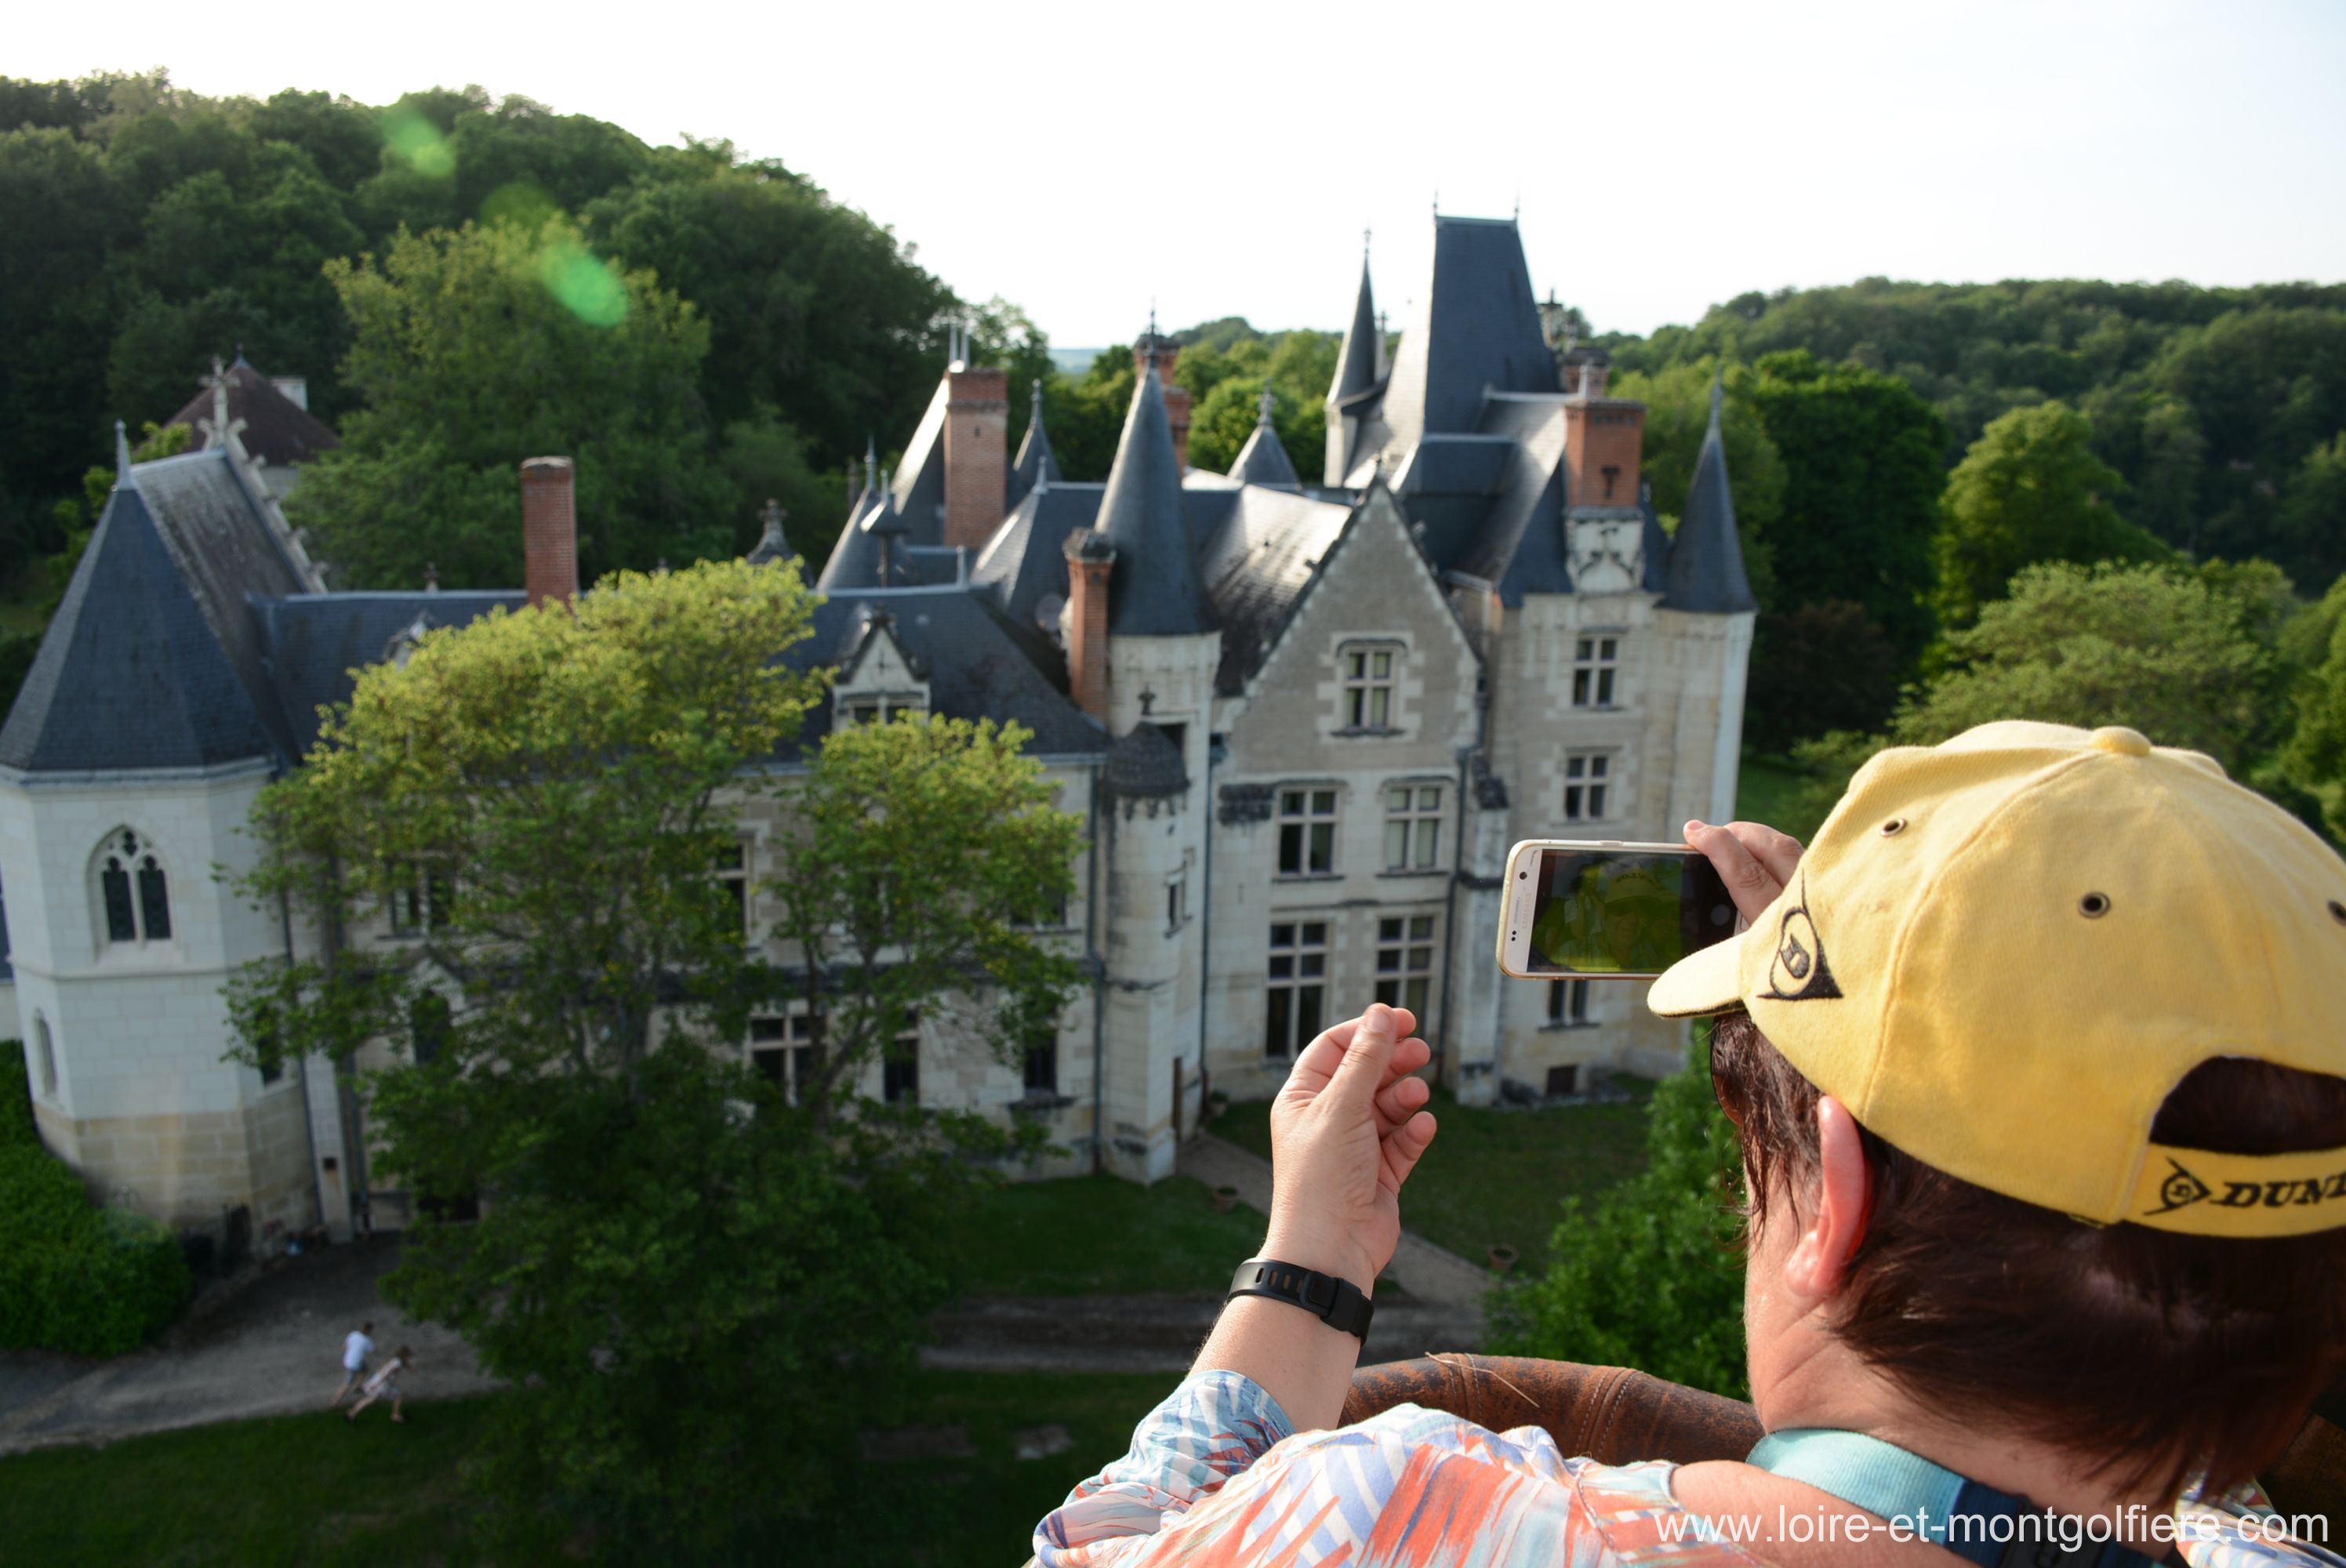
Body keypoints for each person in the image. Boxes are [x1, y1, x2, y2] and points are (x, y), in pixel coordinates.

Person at [1034, 723, 2346, 1566]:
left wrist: (1309, 1262)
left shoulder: (1392, 1515)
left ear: (1832, 1205)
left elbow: (1103, 1548)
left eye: (1760, 1158)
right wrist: (1810, 1033)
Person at [346, 1344, 411, 1424]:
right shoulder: (398, 1364)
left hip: (378, 1381)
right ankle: (395, 1415)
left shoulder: (394, 1360)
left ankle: (352, 1413)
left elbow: (383, 1369)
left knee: (370, 1399)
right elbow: (388, 1373)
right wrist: (378, 1384)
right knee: (398, 1396)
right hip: (383, 1385)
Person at [330, 1320, 375, 1408]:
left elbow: (345, 1346)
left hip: (348, 1360)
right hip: (355, 1364)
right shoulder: (367, 1340)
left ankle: (358, 1386)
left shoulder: (353, 1334)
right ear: (369, 1330)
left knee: (365, 1369)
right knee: (347, 1384)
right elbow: (372, 1351)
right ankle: (335, 1402)